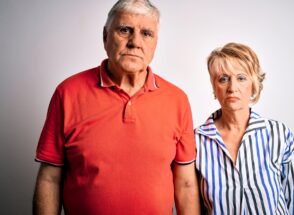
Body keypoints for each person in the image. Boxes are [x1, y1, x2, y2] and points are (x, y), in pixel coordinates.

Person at [32, 0, 200, 214]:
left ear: (155, 43)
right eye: (124, 30)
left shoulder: (177, 100)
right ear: (105, 36)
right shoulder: (67, 93)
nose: (135, 42)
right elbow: (49, 178)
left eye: (146, 33)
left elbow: (185, 184)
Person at [195, 42, 294, 215]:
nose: (232, 88)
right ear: (214, 87)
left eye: (241, 78)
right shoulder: (197, 141)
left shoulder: (279, 134)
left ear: (254, 85)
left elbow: (291, 202)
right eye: (223, 79)